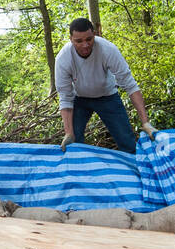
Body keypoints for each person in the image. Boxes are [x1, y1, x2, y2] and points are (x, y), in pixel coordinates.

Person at [55, 17, 155, 154]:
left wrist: (145, 122)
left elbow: (130, 85)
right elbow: (65, 98)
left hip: (108, 97)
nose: (85, 45)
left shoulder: (108, 49)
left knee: (126, 140)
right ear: (71, 39)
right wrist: (68, 133)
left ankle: (135, 169)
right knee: (73, 142)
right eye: (79, 41)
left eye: (89, 39)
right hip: (79, 100)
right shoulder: (63, 58)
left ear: (94, 35)